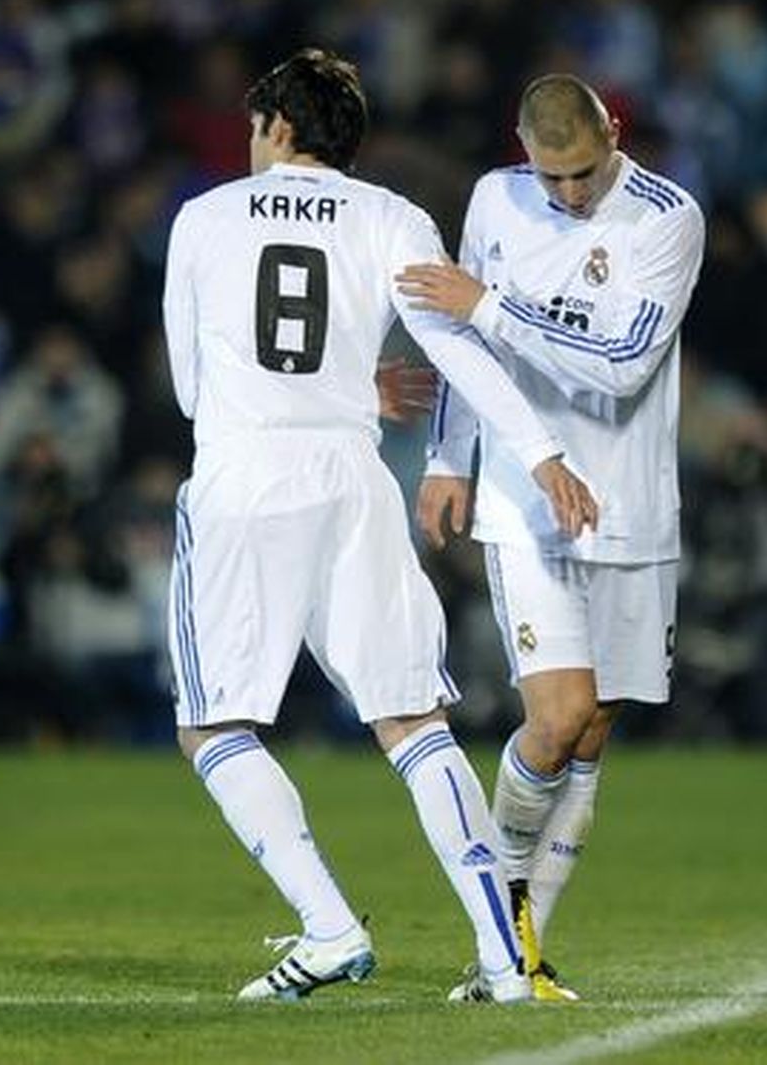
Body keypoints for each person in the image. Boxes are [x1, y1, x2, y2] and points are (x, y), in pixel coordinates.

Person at [162, 49, 597, 1005]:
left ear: (278, 128)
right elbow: (460, 350)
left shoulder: (202, 217)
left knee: (213, 724)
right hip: (351, 478)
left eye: (254, 129)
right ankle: (503, 960)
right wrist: (540, 453)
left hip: (244, 476)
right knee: (414, 721)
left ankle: (328, 927)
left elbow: (195, 384)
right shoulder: (392, 216)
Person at [398, 73, 705, 1000]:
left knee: (592, 732)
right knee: (559, 714)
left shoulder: (667, 217)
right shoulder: (495, 197)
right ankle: (501, 941)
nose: (570, 193)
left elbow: (620, 367)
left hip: (630, 504)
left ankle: (520, 960)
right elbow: (463, 349)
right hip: (524, 503)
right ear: (520, 147)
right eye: (554, 176)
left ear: (615, 131)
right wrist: (448, 456)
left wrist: (487, 302)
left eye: (584, 172)